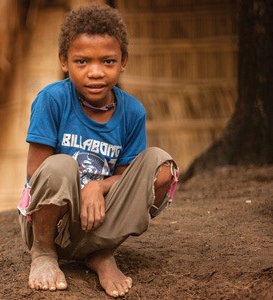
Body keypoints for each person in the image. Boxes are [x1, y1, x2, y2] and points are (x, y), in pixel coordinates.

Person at [17, 5, 179, 298]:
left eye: (107, 61)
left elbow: (127, 179)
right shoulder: (52, 100)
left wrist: (98, 186)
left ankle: (102, 254)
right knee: (60, 165)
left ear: (123, 61)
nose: (95, 72)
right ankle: (43, 253)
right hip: (52, 218)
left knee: (161, 166)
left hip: (99, 220)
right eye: (82, 61)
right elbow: (36, 172)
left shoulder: (132, 112)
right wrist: (81, 191)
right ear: (64, 61)